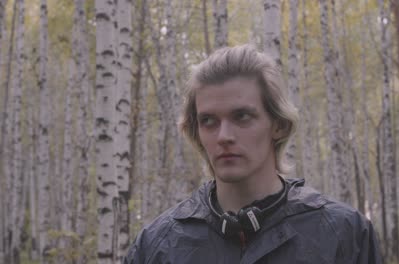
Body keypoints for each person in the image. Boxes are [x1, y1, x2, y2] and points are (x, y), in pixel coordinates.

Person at [124, 44, 382, 264]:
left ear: (279, 125)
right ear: (196, 132)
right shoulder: (157, 246)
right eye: (209, 121)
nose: (224, 135)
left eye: (242, 116)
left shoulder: (344, 235)